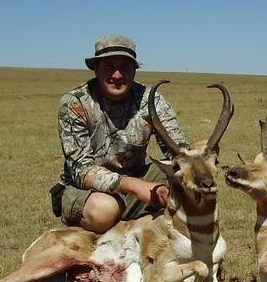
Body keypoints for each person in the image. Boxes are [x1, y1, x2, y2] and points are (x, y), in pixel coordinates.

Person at [51, 33, 188, 234]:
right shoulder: (75, 103)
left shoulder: (150, 100)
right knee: (104, 211)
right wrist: (133, 185)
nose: (117, 75)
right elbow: (80, 170)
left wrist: (196, 156)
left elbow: (176, 149)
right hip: (89, 191)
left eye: (124, 66)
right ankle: (92, 239)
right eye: (109, 66)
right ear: (96, 69)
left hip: (138, 184)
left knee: (190, 181)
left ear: (134, 70)